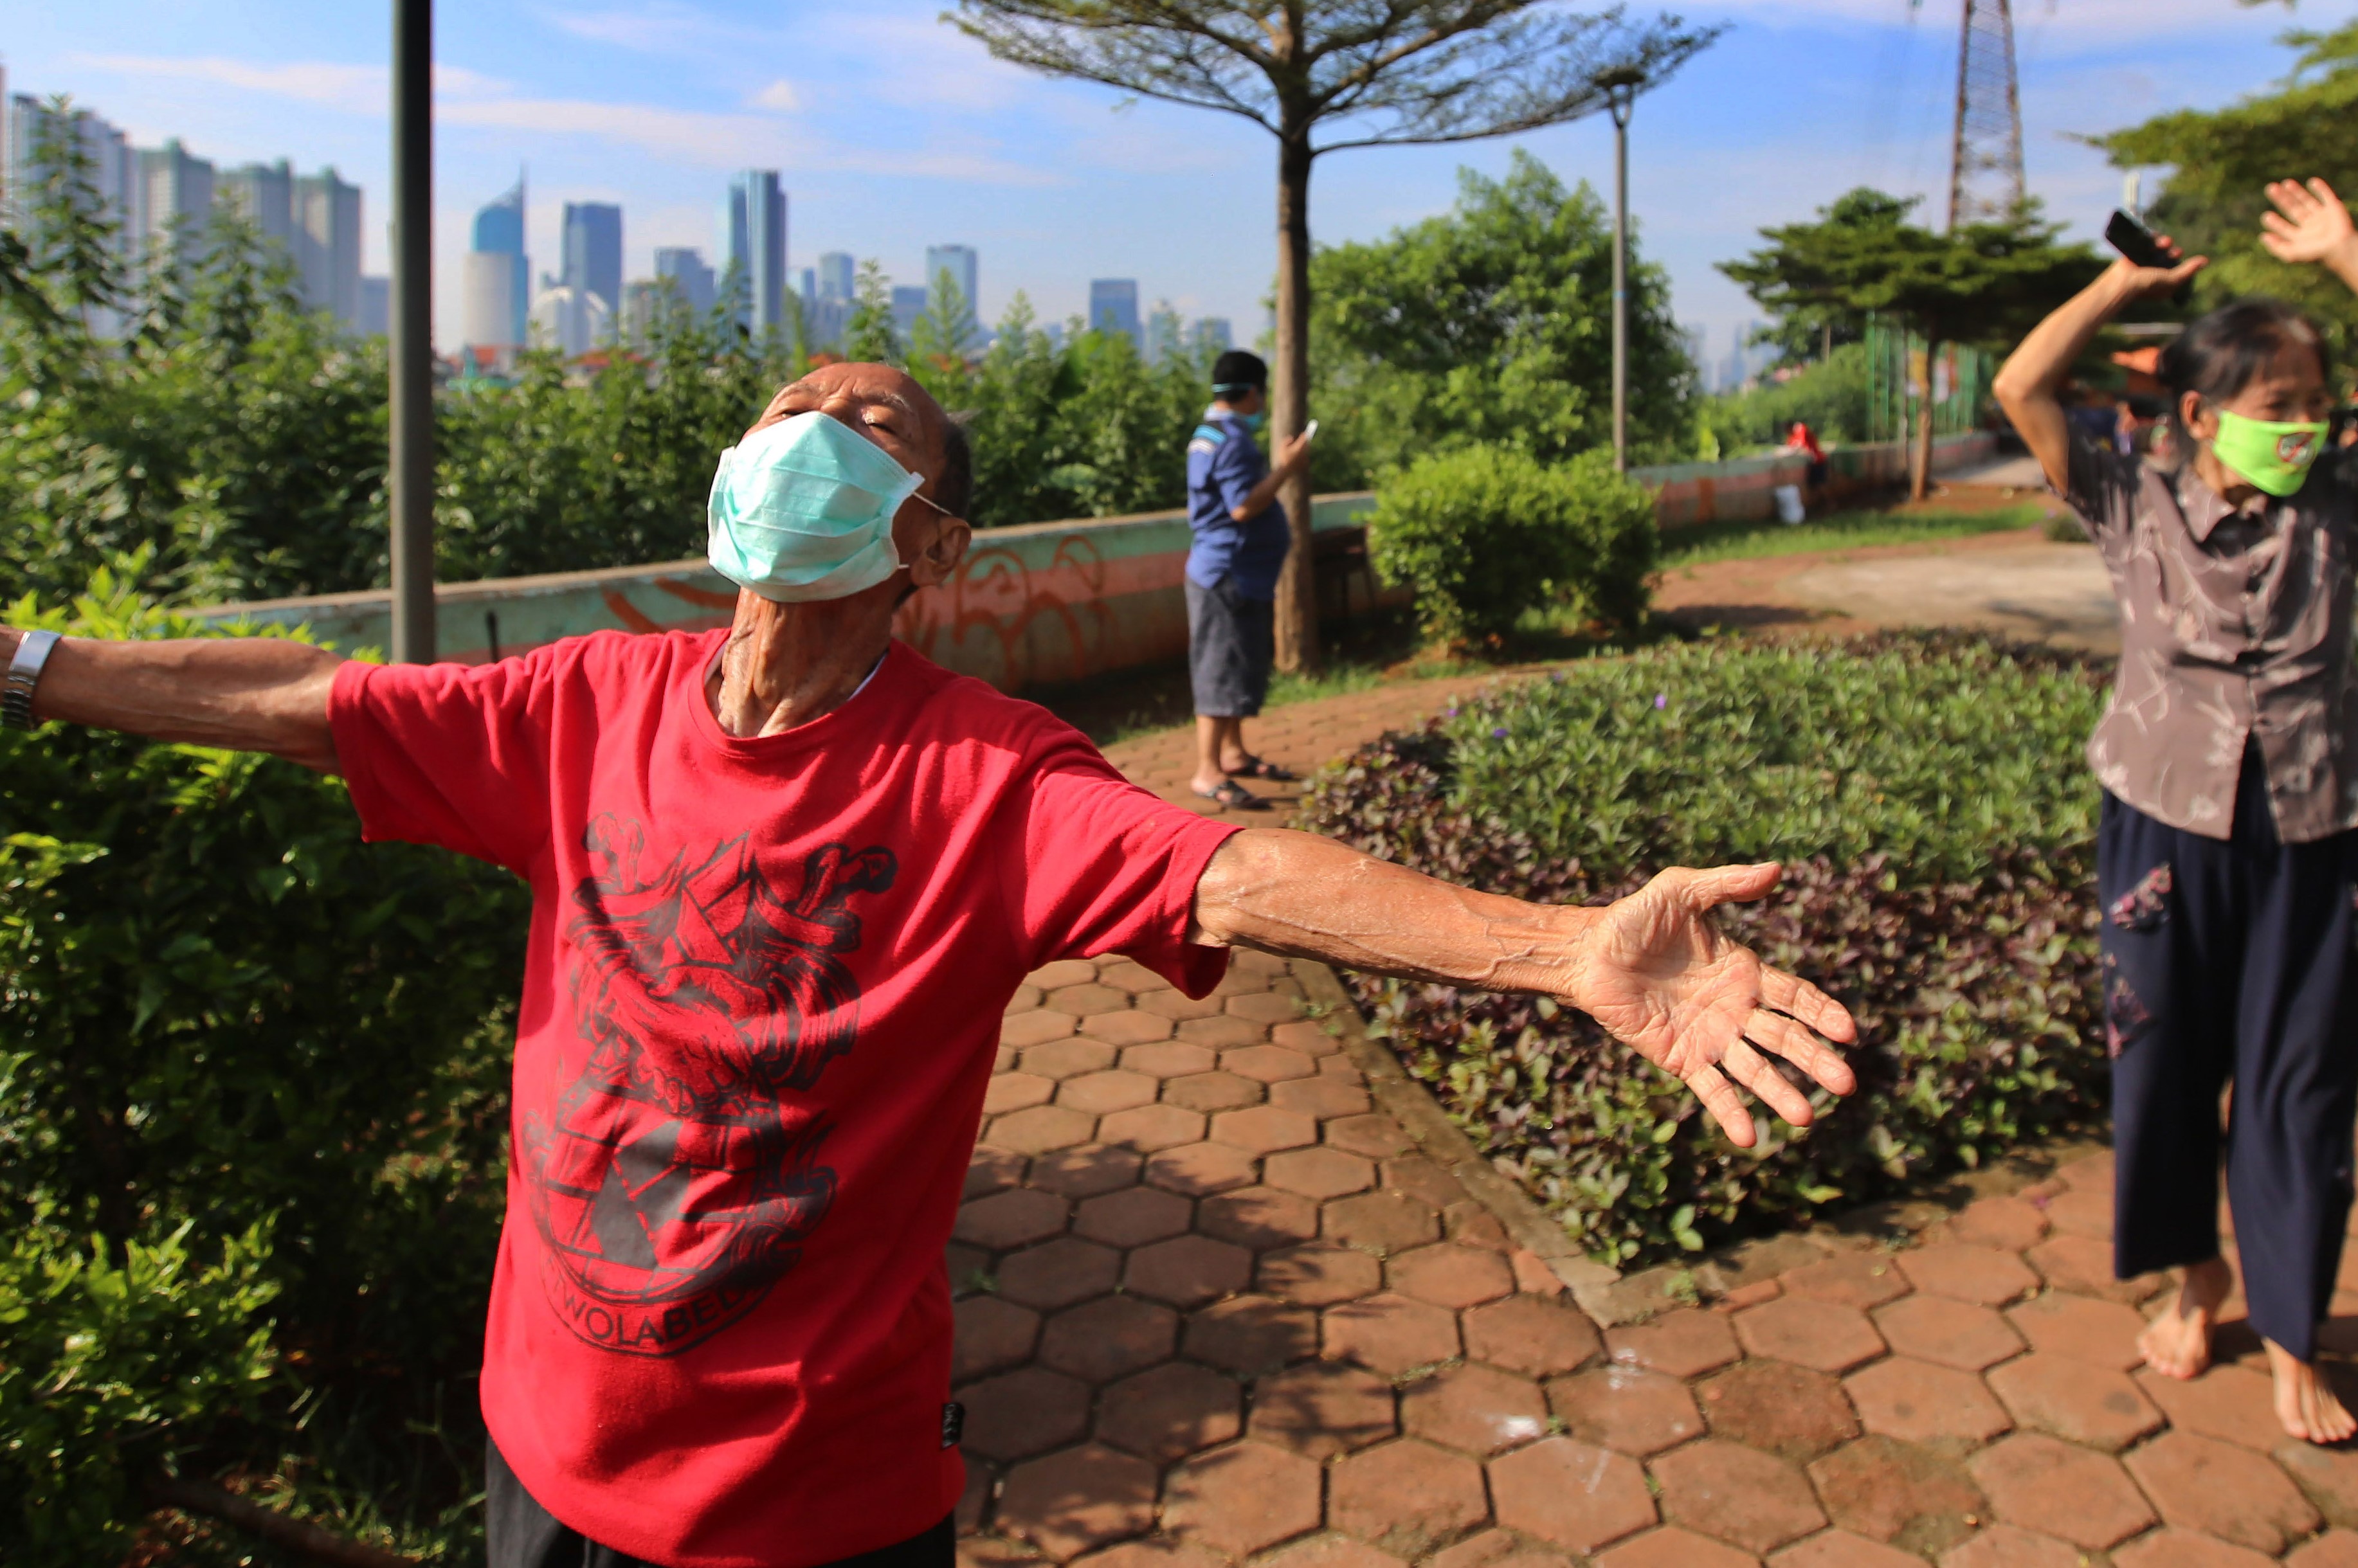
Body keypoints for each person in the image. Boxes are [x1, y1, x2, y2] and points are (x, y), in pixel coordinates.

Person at [0, 359, 1859, 1568]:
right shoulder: (583, 703)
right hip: (540, 1456)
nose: (814, 417)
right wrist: (25, 663)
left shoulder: (985, 773)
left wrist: (1561, 954)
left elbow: (1229, 869)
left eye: (870, 423)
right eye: (796, 398)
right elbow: (313, 702)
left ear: (932, 548)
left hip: (809, 1512)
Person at [1992, 178, 2358, 1444]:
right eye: (2280, 411)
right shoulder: (2130, 501)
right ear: (2203, 415)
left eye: (2316, 407)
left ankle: (2289, 1333)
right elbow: (2019, 391)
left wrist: (2348, 250)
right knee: (2160, 1068)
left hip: (2323, 836)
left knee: (2300, 1087)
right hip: (2162, 826)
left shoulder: (2344, 498)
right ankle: (2192, 1281)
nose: (2306, 427)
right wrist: (2122, 286)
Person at [1183, 348, 1310, 810]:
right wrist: (1286, 469)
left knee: (1236, 667)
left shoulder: (1208, 433)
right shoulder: (1232, 440)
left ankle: (1233, 754)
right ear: (1253, 392)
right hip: (1227, 576)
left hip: (1229, 572)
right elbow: (1242, 506)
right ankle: (1207, 771)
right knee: (1219, 671)